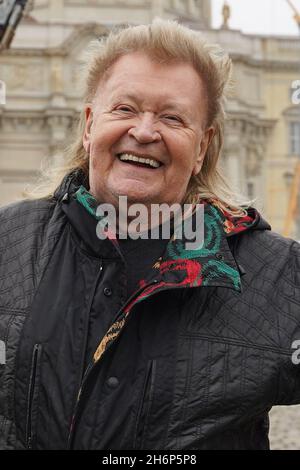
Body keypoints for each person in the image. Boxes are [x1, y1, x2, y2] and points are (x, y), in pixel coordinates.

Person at [0, 19, 300, 451]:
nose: (143, 132)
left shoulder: (274, 275)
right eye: (124, 108)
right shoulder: (8, 243)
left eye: (171, 117)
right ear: (88, 126)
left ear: (201, 148)